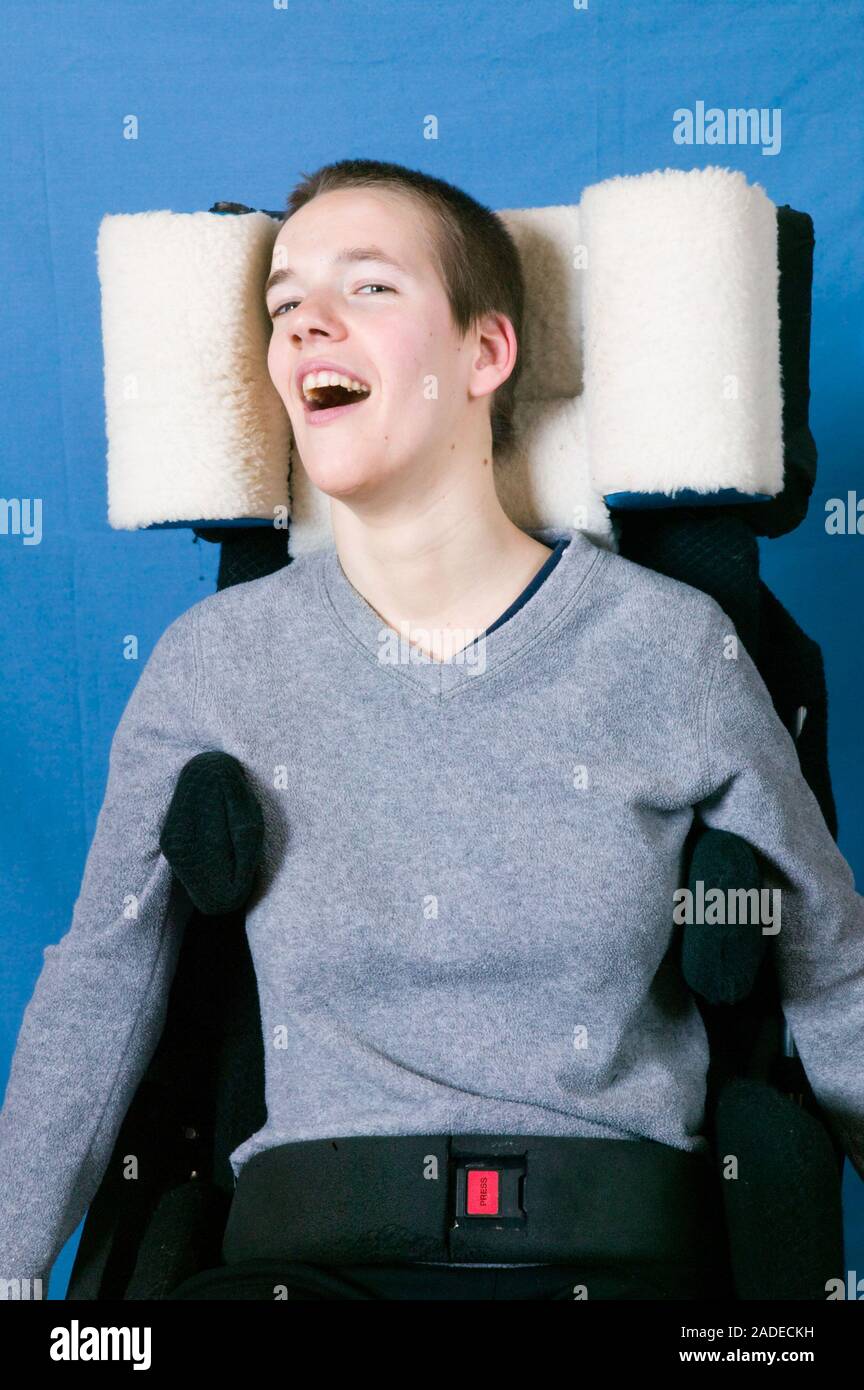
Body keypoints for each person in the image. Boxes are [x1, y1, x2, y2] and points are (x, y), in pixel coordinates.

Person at [1, 159, 862, 1302]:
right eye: (283, 303)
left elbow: (834, 976)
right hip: (304, 1270)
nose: (306, 318)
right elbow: (99, 987)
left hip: (609, 1264)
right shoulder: (214, 664)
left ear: (485, 354)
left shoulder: (672, 649)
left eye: (368, 288)